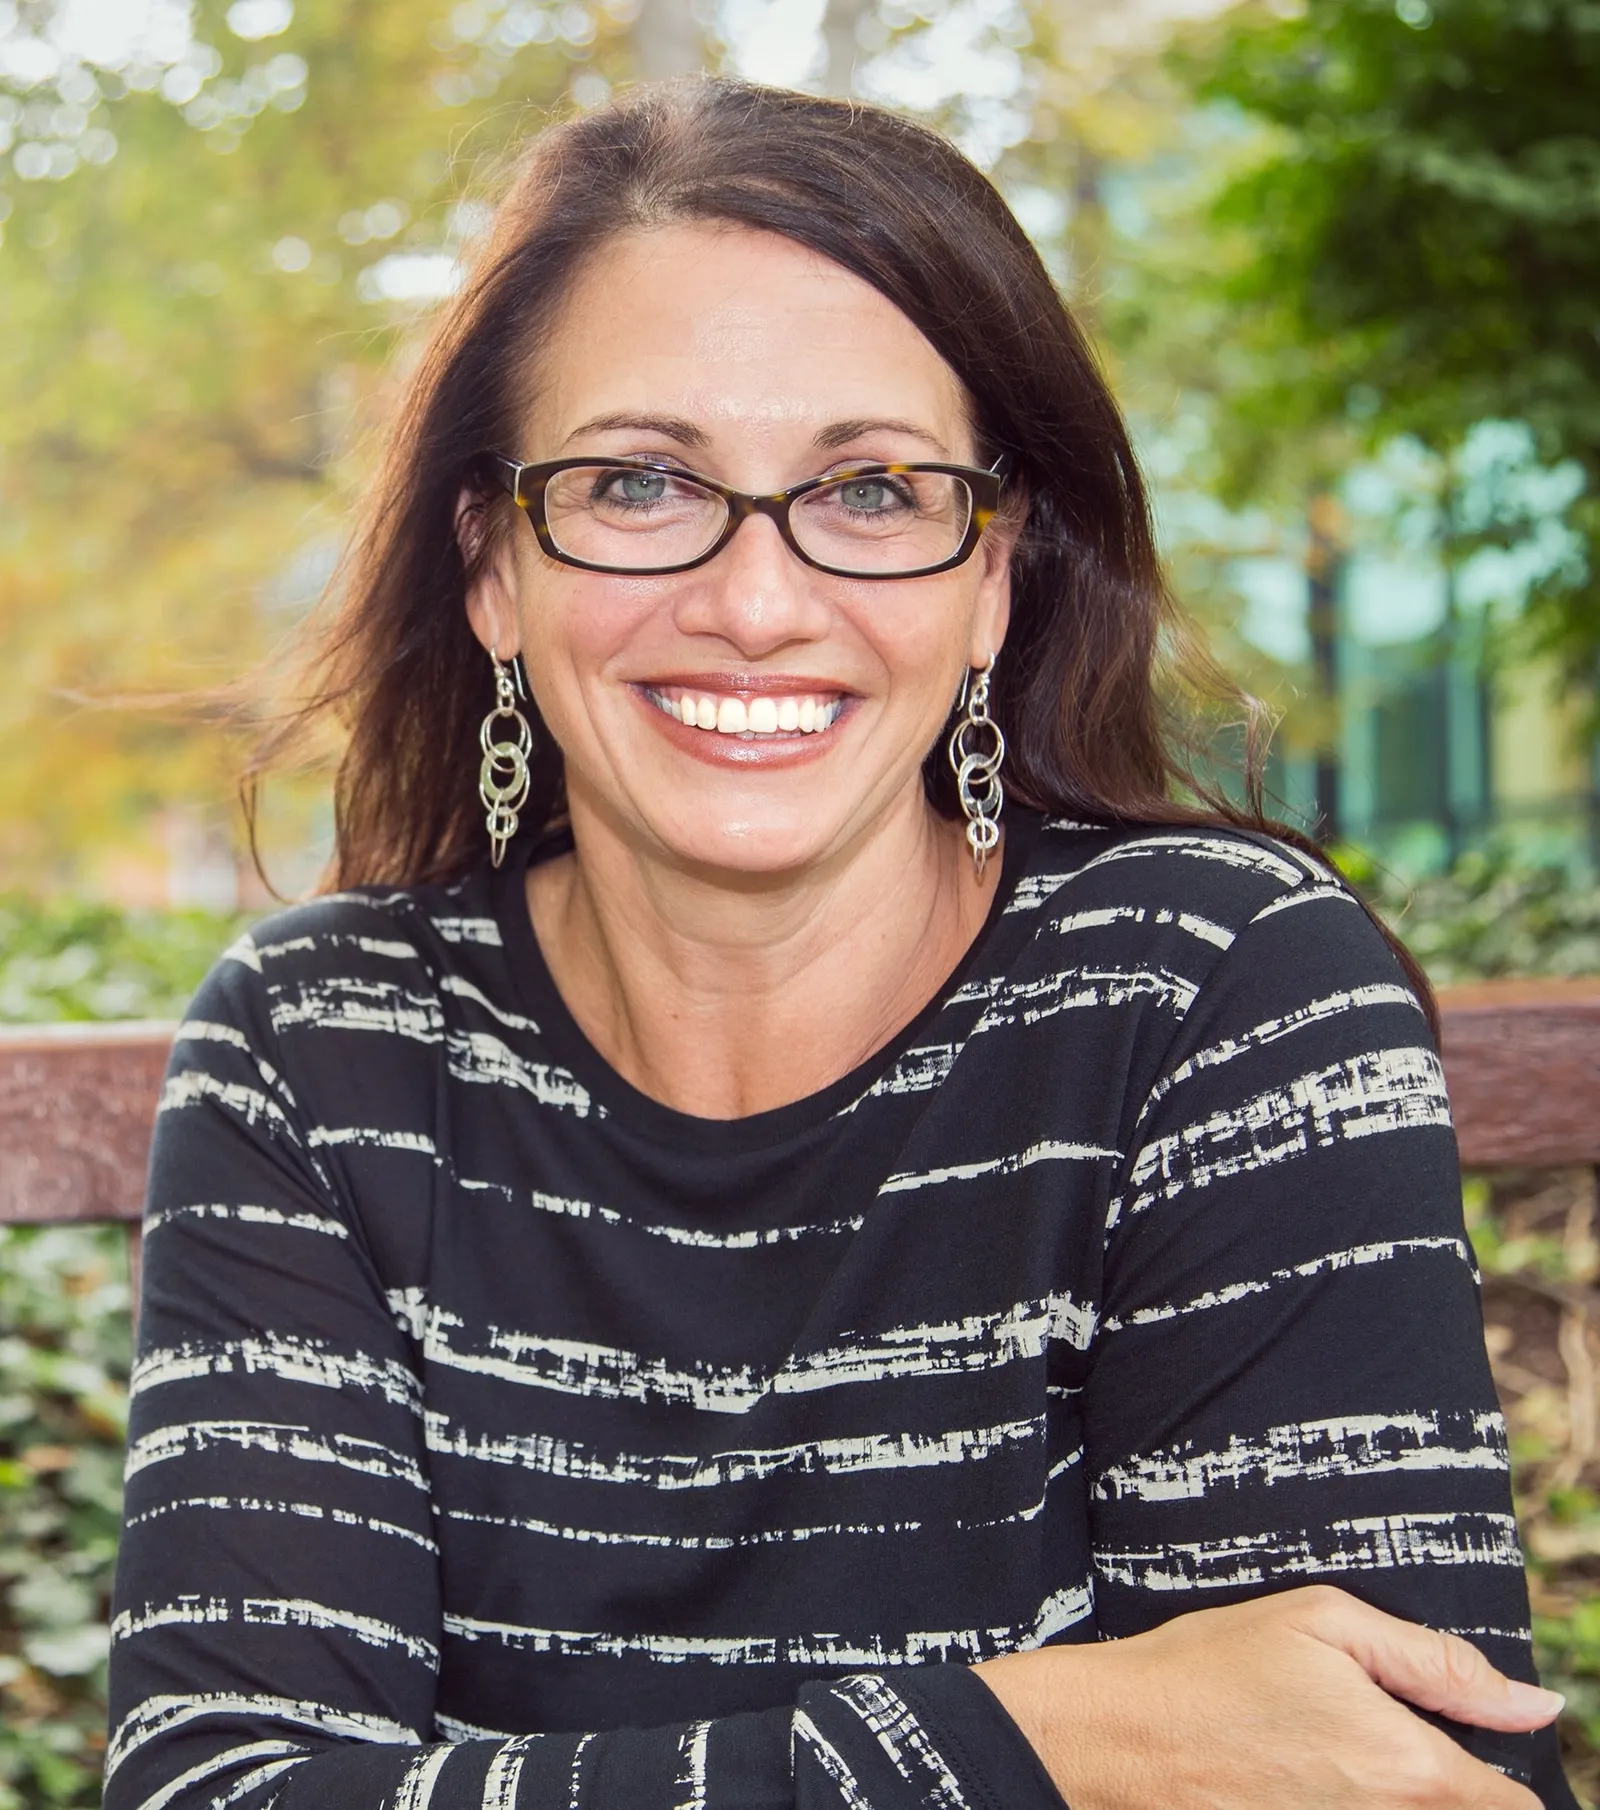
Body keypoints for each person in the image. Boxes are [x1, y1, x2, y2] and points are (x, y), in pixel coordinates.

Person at [103, 77, 1575, 1810]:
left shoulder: (1218, 994)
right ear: (495, 566)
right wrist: (1051, 1740)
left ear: (993, 576)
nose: (756, 597)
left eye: (872, 490)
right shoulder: (321, 1043)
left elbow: (1385, 1776)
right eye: (642, 481)